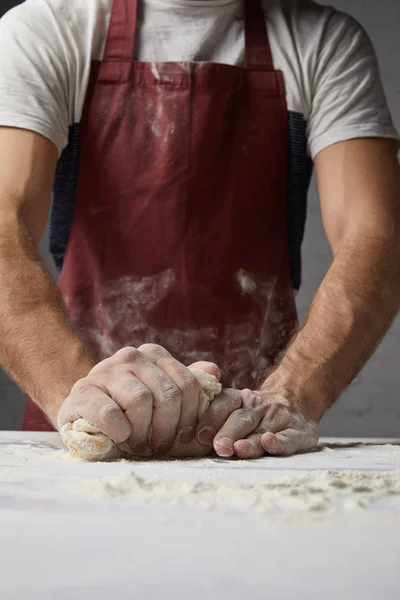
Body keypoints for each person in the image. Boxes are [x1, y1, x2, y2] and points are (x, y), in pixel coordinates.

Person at [0, 0, 399, 459]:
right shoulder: (50, 28)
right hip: (86, 411)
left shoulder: (322, 41)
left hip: (251, 430)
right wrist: (83, 394)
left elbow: (376, 238)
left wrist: (293, 394)